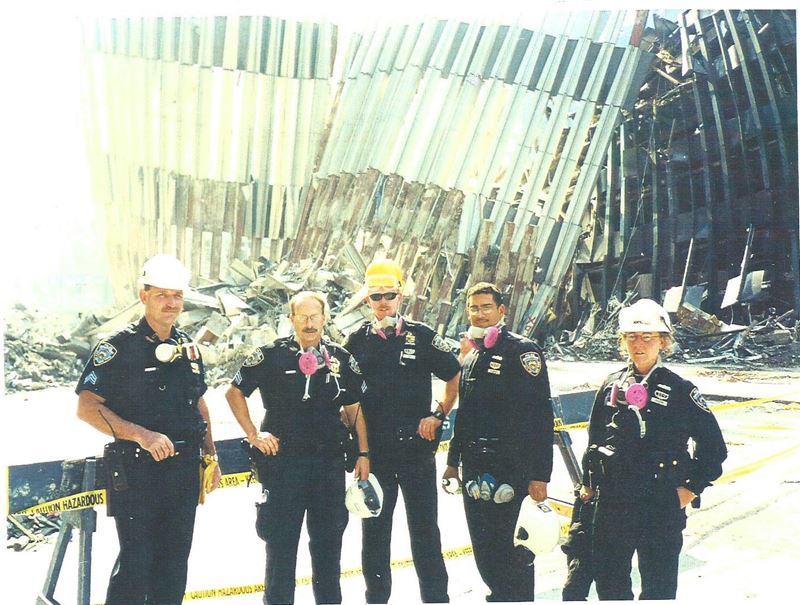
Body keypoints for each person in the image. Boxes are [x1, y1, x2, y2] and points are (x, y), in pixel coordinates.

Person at [75, 253, 222, 605]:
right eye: (161, 295)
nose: (171, 303)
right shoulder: (117, 348)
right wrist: (142, 435)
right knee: (136, 567)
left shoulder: (187, 348)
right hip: (137, 473)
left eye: (177, 296)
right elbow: (87, 407)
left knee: (173, 568)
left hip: (183, 471)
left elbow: (198, 401)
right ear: (144, 296)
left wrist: (210, 454)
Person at [225, 290, 370, 605]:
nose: (308, 322)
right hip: (284, 466)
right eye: (301, 316)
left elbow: (354, 408)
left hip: (328, 466)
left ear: (324, 318)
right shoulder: (270, 356)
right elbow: (234, 392)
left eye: (314, 316)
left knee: (329, 546)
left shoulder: (340, 359)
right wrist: (254, 434)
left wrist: (363, 453)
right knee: (280, 547)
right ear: (291, 319)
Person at [578, 298, 727, 600]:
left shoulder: (680, 390)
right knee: (609, 583)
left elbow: (714, 449)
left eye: (647, 337)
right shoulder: (611, 385)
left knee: (658, 588)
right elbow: (595, 439)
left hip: (659, 501)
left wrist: (690, 489)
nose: (638, 344)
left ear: (663, 341)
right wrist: (588, 485)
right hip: (613, 501)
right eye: (631, 337)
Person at [343, 259, 460, 603]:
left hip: (416, 453)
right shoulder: (356, 341)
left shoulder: (422, 336)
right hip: (375, 457)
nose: (383, 302)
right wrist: (360, 450)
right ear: (367, 300)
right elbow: (347, 399)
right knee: (375, 539)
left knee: (426, 536)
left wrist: (438, 414)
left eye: (389, 295)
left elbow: (455, 375)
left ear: (401, 296)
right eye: (376, 296)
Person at [443, 282, 554, 602]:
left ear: (502, 311)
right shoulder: (471, 354)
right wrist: (453, 462)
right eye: (474, 308)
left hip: (512, 466)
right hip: (476, 466)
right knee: (484, 550)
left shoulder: (522, 351)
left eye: (486, 307)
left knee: (512, 551)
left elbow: (540, 417)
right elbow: (465, 413)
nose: (480, 314)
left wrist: (540, 475)